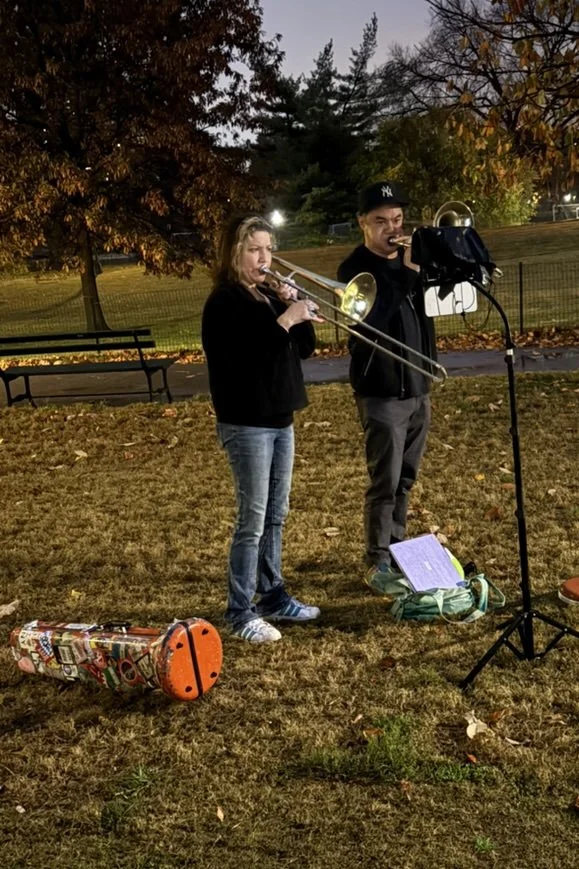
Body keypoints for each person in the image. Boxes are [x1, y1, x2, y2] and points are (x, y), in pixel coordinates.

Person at [202, 214, 322, 643]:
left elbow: (304, 350)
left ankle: (273, 596)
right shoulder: (224, 302)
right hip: (246, 421)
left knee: (276, 514)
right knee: (252, 520)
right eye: (254, 249)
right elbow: (245, 358)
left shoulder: (268, 296)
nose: (264, 258)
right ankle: (240, 611)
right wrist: (284, 319)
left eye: (268, 249)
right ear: (234, 253)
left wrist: (296, 310)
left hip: (280, 417)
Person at [337, 181, 437, 590]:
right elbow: (371, 321)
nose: (392, 229)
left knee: (406, 477)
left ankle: (397, 547)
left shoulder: (411, 262)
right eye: (381, 221)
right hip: (381, 390)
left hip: (417, 384)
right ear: (362, 222)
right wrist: (407, 276)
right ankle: (377, 558)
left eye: (397, 219)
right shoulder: (354, 269)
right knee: (385, 480)